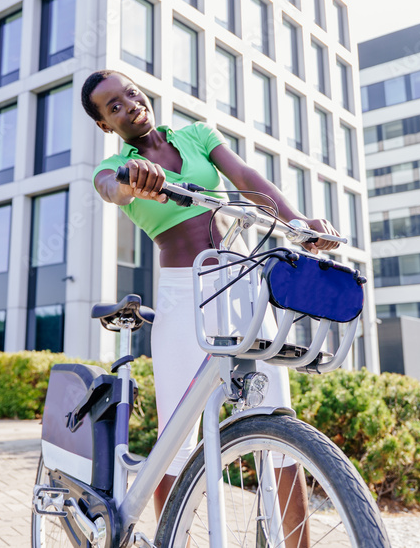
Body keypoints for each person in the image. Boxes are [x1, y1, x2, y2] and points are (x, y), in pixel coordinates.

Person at [84, 70, 340, 536]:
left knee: (278, 426)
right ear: (106, 125)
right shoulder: (115, 166)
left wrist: (299, 222)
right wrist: (129, 180)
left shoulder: (196, 135)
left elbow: (246, 177)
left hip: (242, 281)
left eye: (130, 94)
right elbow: (109, 189)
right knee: (177, 441)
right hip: (184, 293)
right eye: (114, 107)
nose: (129, 105)